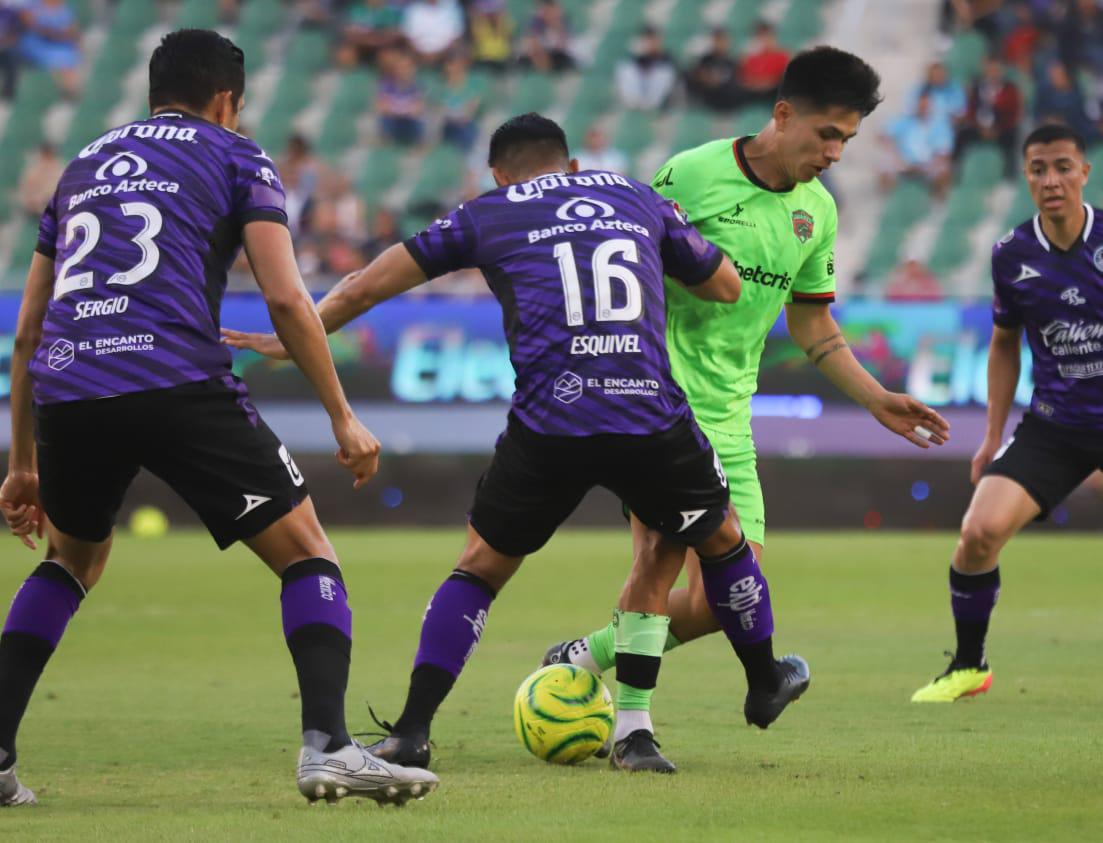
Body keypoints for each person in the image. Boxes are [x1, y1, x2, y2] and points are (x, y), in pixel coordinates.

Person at [224, 112, 811, 775]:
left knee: (479, 569)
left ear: (499, 174)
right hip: (647, 411)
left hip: (550, 420)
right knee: (722, 539)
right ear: (570, 165)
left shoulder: (490, 211)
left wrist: (296, 337)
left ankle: (412, 731)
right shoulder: (634, 196)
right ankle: (761, 679)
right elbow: (724, 285)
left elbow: (368, 283)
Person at [0, 29, 437, 808]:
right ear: (227, 100)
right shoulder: (236, 156)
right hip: (172, 375)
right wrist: (342, 415)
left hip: (71, 384)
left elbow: (29, 329)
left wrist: (23, 462)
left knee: (69, 560)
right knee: (307, 551)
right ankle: (328, 745)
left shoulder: (83, 166)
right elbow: (284, 297)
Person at [541, 48, 950, 722]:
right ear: (783, 114)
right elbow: (629, 279)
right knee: (658, 560)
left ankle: (580, 657)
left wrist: (876, 397)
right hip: (660, 409)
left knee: (726, 599)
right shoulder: (692, 174)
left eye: (847, 141)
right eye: (827, 134)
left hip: (731, 421)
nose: (835, 153)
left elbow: (812, 323)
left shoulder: (817, 212)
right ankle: (634, 726)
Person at [911, 123, 1102, 703]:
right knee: (978, 532)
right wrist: (992, 437)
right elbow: (1002, 345)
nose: (1052, 180)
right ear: (1026, 177)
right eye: (1039, 169)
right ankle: (970, 667)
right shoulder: (1011, 255)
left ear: (1084, 172)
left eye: (1063, 167)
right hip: (1054, 427)